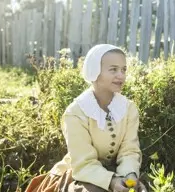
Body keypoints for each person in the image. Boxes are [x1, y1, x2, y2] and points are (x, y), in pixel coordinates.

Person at [26, 44, 147, 192]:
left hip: (118, 173)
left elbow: (129, 150)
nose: (121, 75)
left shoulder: (128, 109)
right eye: (113, 69)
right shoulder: (76, 112)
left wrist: (129, 176)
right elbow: (83, 162)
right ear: (94, 71)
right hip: (82, 174)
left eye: (123, 69)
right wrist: (111, 181)